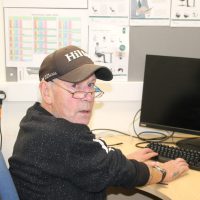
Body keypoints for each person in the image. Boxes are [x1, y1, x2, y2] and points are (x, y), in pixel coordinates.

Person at [8, 45, 189, 200]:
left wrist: (123, 161)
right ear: (46, 91)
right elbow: (120, 172)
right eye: (75, 86)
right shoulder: (63, 135)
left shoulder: (34, 119)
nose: (87, 97)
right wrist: (164, 172)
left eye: (90, 85)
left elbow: (96, 164)